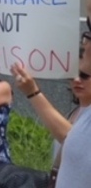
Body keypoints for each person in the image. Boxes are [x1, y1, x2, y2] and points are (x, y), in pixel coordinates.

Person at [11, 32, 91, 188]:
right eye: (72, 74)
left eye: (84, 76)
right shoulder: (76, 112)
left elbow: (70, 138)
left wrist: (33, 92)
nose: (76, 80)